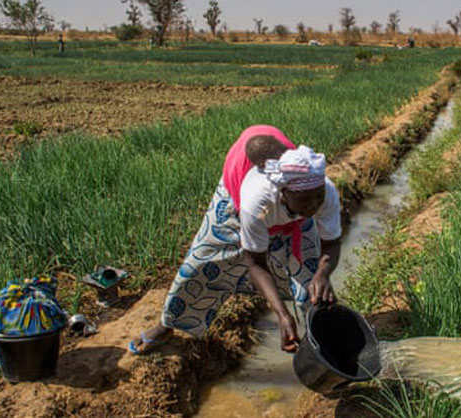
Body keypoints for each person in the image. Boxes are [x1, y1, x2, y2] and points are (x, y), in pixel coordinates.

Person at [129, 125, 342, 355]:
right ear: (284, 193)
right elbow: (255, 263)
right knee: (202, 264)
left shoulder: (322, 191)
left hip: (286, 205)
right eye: (305, 201)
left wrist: (323, 274)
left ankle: (326, 338)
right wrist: (282, 314)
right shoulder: (255, 201)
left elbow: (331, 243)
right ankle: (167, 324)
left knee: (312, 278)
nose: (313, 206)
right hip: (236, 201)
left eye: (317, 197)